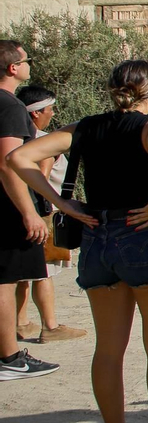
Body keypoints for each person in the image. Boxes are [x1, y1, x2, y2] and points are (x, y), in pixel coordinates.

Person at [11, 60, 148, 423]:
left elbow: (19, 158)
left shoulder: (85, 127)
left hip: (97, 236)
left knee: (109, 348)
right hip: (144, 233)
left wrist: (61, 203)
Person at [0, 40, 59, 379]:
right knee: (5, 281)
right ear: (13, 68)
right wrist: (28, 211)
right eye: (27, 60)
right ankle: (10, 357)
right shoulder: (9, 106)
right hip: (8, 207)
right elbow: (8, 162)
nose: (29, 65)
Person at [14, 85, 87, 343]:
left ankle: (21, 322)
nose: (52, 114)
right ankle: (50, 326)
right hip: (43, 213)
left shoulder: (15, 138)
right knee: (44, 273)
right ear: (36, 113)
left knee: (21, 275)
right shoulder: (43, 142)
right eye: (49, 109)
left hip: (18, 211)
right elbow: (40, 181)